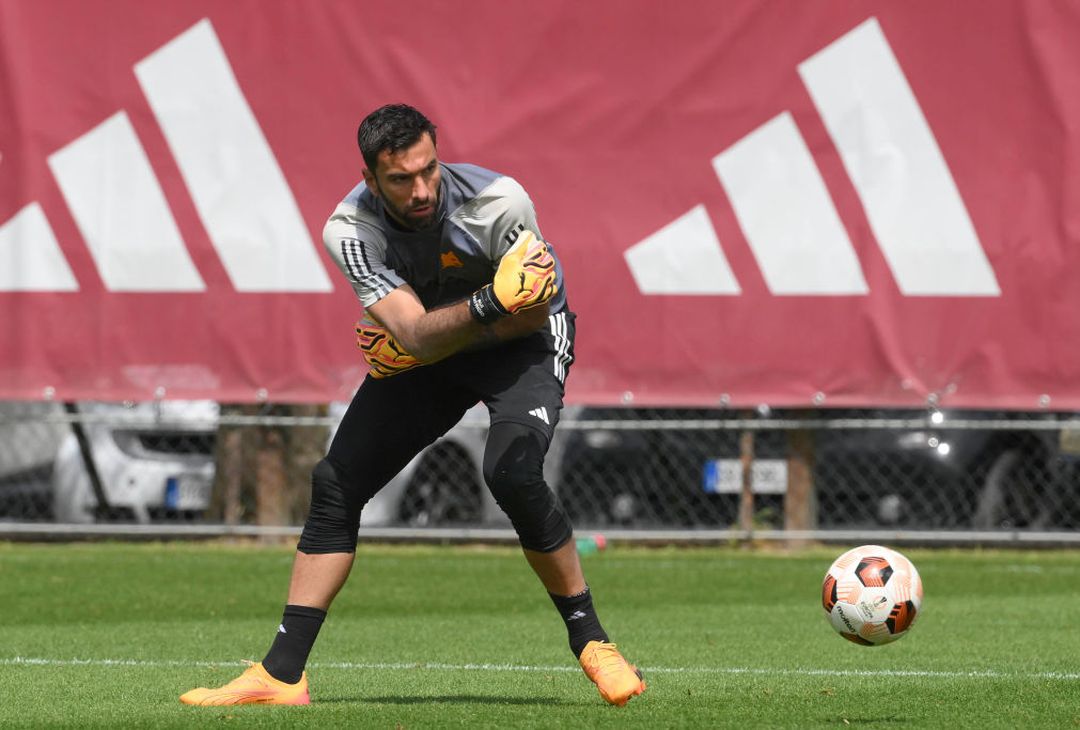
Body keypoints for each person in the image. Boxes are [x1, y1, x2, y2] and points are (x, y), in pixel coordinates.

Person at [180, 104, 646, 707]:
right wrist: (473, 310)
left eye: (429, 169)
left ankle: (592, 642)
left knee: (510, 469)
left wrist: (442, 329)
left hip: (524, 343)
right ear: (372, 180)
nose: (422, 189)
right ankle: (280, 675)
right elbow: (421, 336)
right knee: (337, 481)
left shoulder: (500, 203)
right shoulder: (349, 229)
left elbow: (531, 310)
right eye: (401, 179)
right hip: (444, 344)